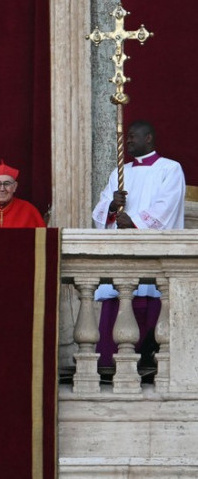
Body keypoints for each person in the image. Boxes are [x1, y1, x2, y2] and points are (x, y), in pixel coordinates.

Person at [92, 120, 186, 368]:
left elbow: (166, 207)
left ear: (149, 138)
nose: (128, 140)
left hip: (153, 252)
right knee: (118, 304)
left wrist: (134, 221)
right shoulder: (120, 173)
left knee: (150, 305)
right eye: (128, 136)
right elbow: (100, 208)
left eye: (133, 136)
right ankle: (109, 364)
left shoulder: (170, 169)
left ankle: (148, 365)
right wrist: (112, 207)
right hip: (122, 252)